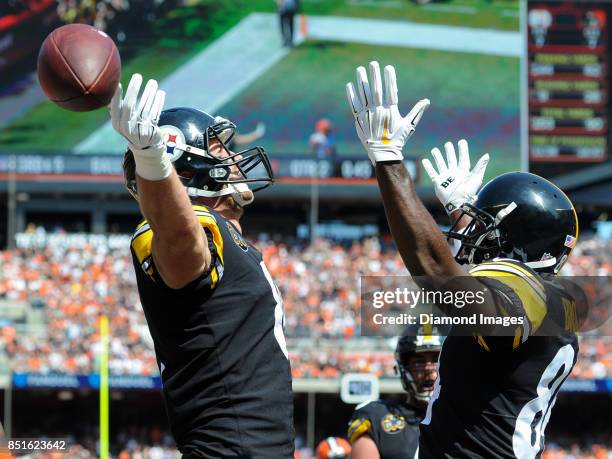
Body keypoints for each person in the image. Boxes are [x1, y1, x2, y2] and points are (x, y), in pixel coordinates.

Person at [345, 61, 585, 458]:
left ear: (514, 241)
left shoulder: (530, 295)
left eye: (484, 227)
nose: (471, 234)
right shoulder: (553, 302)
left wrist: (388, 161)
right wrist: (463, 212)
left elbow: (442, 275)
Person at [110, 74, 295, 457]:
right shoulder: (181, 230)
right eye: (219, 149)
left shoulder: (230, 236)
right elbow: (181, 240)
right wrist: (151, 159)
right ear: (188, 165)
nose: (232, 158)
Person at [347, 329, 441, 459]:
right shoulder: (376, 416)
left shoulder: (465, 418)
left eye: (437, 360)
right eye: (419, 362)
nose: (429, 370)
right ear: (403, 368)